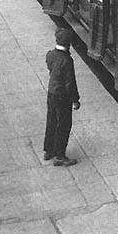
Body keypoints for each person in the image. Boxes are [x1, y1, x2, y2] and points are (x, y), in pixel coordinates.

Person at [43, 28, 81, 167]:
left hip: (51, 93)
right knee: (64, 125)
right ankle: (59, 155)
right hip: (62, 96)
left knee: (51, 120)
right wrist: (75, 99)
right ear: (68, 43)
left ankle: (48, 150)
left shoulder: (50, 55)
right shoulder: (67, 60)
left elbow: (51, 68)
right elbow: (70, 83)